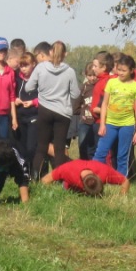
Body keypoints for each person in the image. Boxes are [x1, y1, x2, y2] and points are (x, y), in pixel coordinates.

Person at [28, 41, 82, 178]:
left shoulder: (41, 68)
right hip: (63, 112)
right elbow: (75, 94)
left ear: (50, 52)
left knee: (41, 146)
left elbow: (29, 87)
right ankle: (59, 178)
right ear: (65, 54)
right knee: (59, 148)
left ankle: (34, 177)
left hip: (45, 110)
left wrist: (42, 89)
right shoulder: (69, 71)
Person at [93, 53, 136, 177]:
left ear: (131, 70)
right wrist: (102, 124)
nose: (120, 73)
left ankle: (121, 181)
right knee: (100, 152)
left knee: (122, 156)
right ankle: (93, 177)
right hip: (110, 124)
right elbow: (104, 104)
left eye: (124, 71)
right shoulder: (111, 83)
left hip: (127, 125)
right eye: (119, 70)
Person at [40, 158, 130, 196]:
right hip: (69, 191)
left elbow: (125, 181)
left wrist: (121, 197)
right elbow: (45, 180)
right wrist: (53, 195)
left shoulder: (104, 171)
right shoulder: (68, 169)